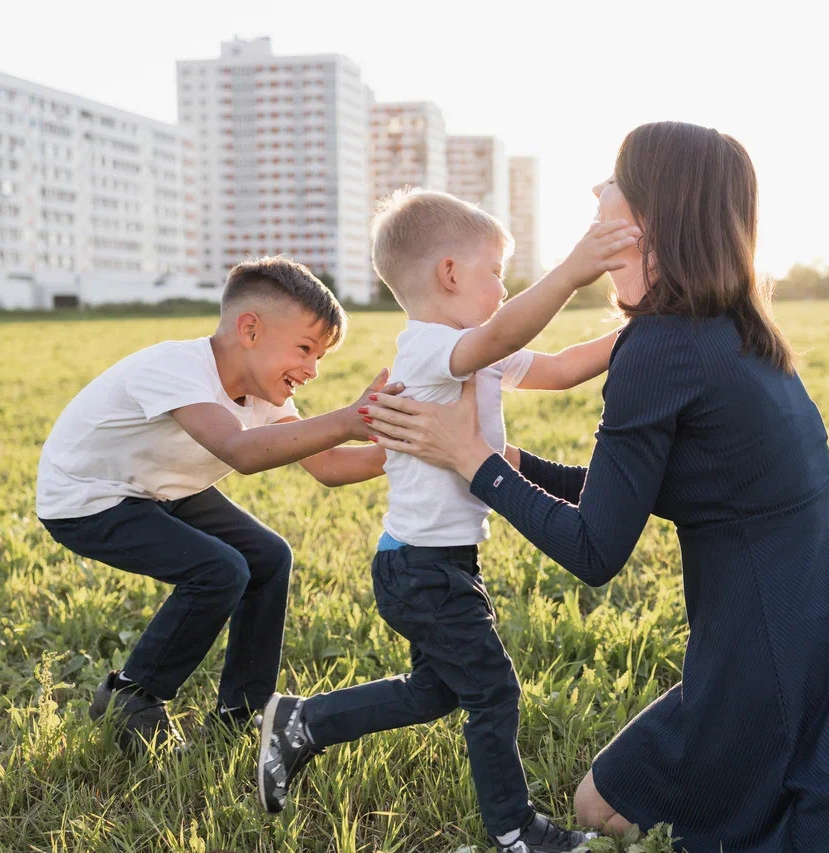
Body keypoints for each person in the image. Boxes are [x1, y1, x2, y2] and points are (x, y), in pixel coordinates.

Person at [359, 123, 829, 852]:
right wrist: (510, 461)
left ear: (650, 217)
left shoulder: (661, 347)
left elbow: (595, 549)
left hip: (770, 659)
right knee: (601, 802)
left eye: (614, 177)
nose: (596, 188)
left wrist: (472, 461)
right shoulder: (732, 326)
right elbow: (638, 491)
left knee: (609, 810)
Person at [255, 189, 640, 853]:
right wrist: (572, 271)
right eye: (496, 271)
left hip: (437, 562)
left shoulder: (473, 348)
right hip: (420, 568)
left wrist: (641, 330)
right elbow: (505, 332)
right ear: (451, 274)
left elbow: (558, 369)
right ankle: (515, 830)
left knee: (435, 691)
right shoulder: (430, 348)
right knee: (493, 691)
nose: (503, 287)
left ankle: (302, 722)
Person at [37, 256, 395, 751]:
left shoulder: (264, 393)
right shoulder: (176, 368)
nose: (312, 370)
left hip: (162, 489)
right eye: (305, 349)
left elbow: (328, 466)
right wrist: (346, 419)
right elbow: (240, 451)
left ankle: (241, 712)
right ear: (250, 329)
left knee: (268, 557)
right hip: (88, 499)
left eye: (320, 357)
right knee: (220, 570)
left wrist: (410, 449)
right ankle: (131, 698)